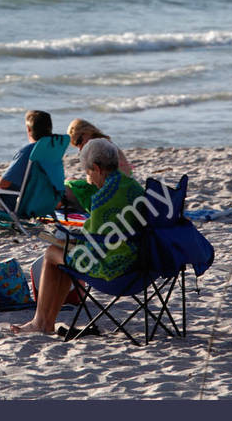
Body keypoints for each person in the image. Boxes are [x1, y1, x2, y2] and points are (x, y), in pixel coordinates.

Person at [10, 138, 145, 335]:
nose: (88, 177)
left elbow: (93, 243)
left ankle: (40, 322)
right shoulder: (133, 187)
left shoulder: (103, 197)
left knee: (51, 253)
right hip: (141, 261)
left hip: (114, 267)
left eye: (88, 172)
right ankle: (46, 323)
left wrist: (69, 240)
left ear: (97, 168)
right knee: (64, 258)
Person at [64, 118, 133, 210]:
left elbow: (94, 182)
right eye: (76, 145)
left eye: (79, 142)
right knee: (70, 180)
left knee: (66, 187)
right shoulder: (107, 143)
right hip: (121, 189)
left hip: (108, 196)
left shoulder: (96, 148)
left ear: (86, 132)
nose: (80, 148)